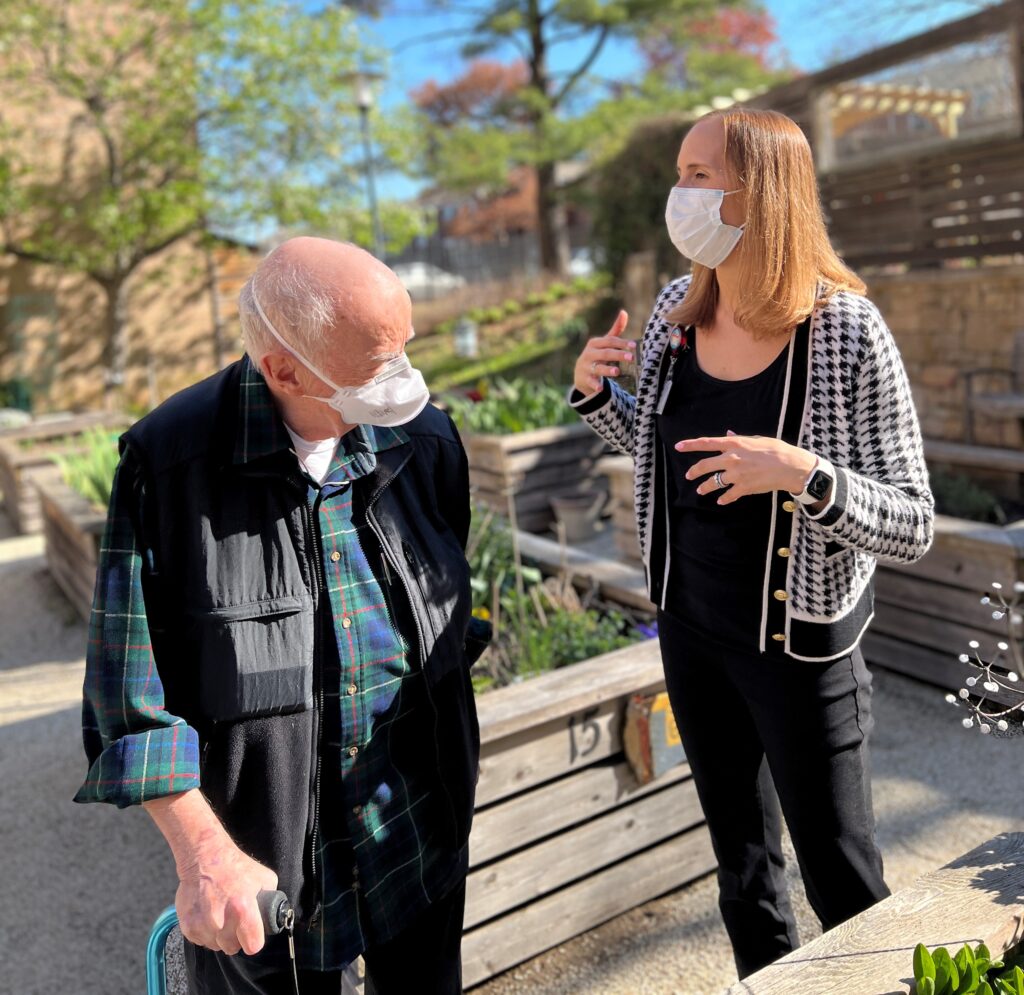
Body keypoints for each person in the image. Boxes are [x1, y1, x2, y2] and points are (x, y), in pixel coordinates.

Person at [569, 108, 934, 979]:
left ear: (761, 191)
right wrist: (595, 398)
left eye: (700, 175)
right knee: (743, 871)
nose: (680, 193)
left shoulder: (847, 331)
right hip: (691, 632)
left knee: (843, 878)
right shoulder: (677, 309)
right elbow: (664, 457)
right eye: (681, 171)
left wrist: (802, 473)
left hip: (801, 655)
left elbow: (914, 520)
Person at [75, 237, 488, 995]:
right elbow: (129, 700)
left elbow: (449, 603)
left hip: (415, 836)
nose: (404, 383)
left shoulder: (424, 437)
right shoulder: (169, 464)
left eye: (405, 350)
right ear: (286, 370)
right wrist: (205, 853)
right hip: (264, 872)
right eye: (376, 366)